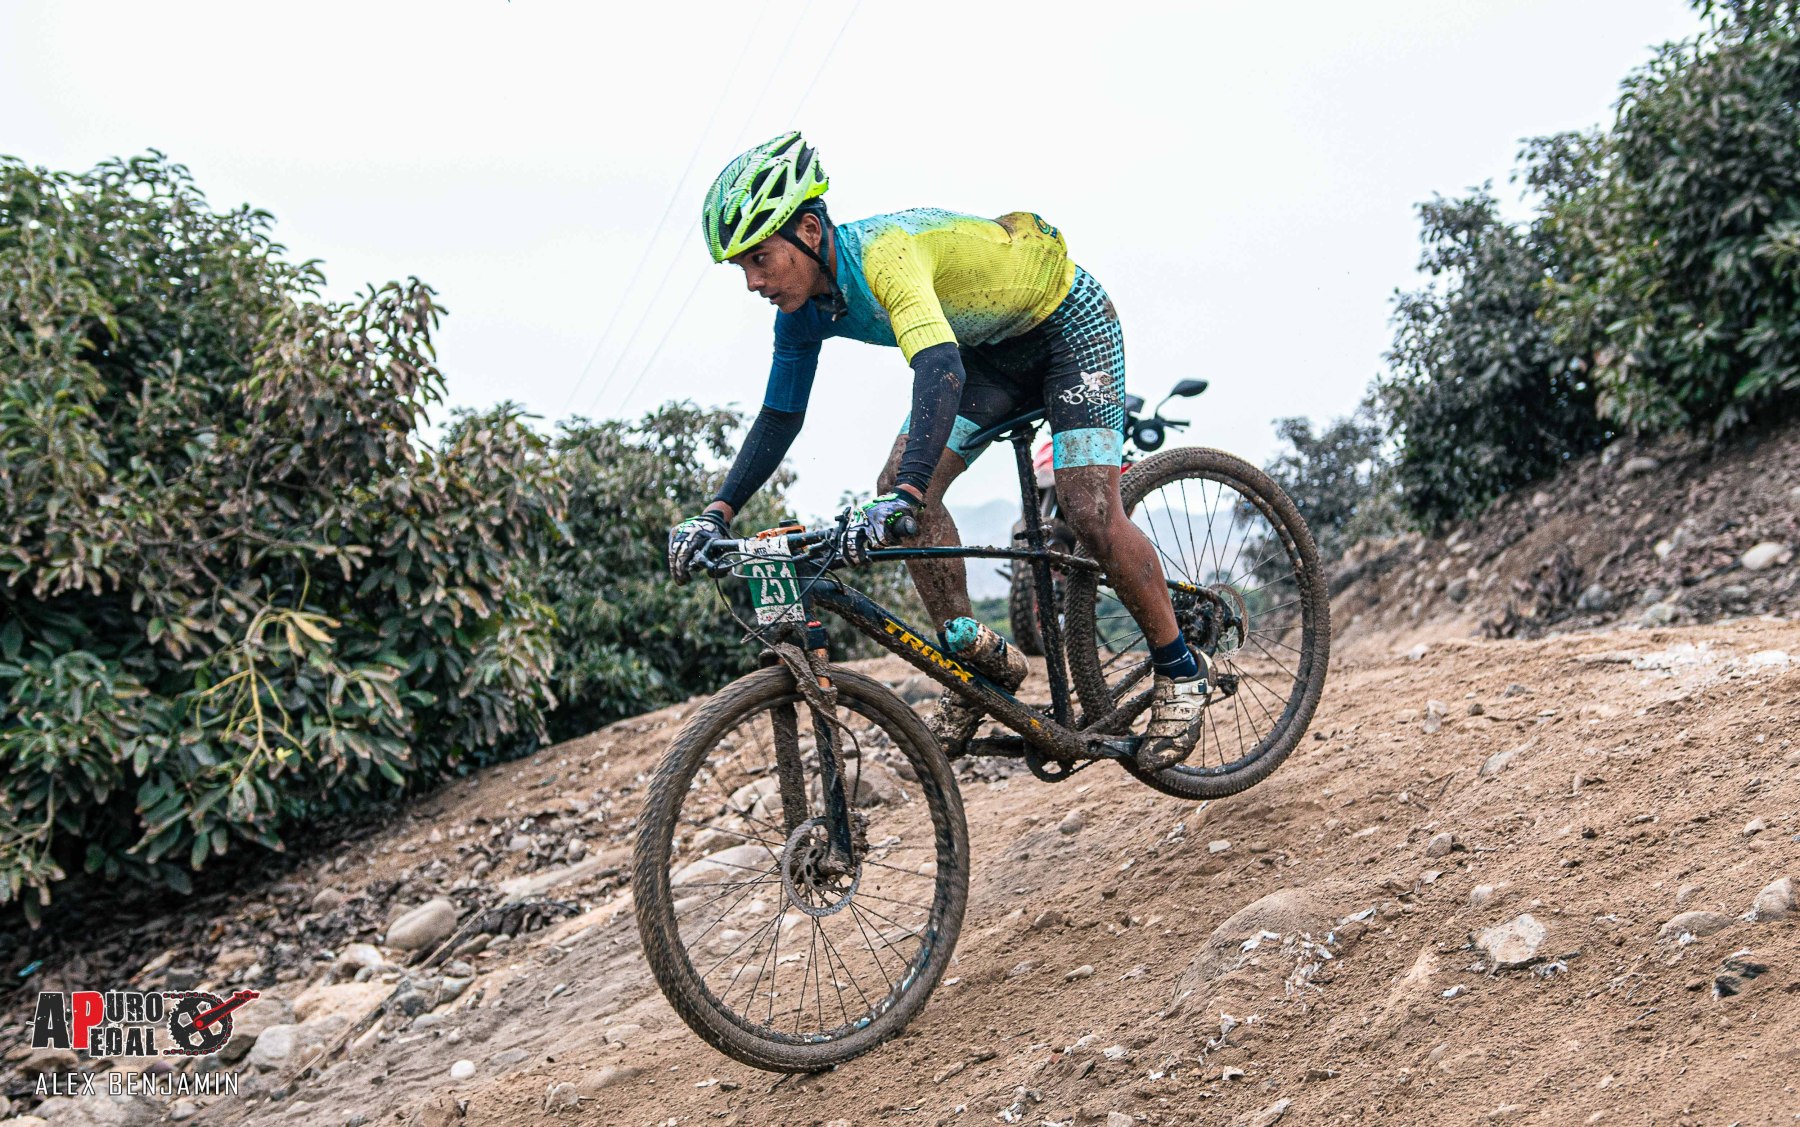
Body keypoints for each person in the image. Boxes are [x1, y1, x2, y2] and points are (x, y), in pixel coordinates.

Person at [666, 132, 1208, 771]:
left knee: (1086, 507)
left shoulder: (884, 256)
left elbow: (939, 368)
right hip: (990, 353)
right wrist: (717, 512)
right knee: (898, 485)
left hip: (1067, 328)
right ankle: (972, 664)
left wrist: (908, 493)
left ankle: (1181, 670)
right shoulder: (801, 314)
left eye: (760, 259)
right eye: (742, 268)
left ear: (809, 232)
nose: (753, 282)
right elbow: (780, 416)